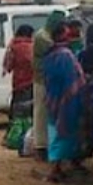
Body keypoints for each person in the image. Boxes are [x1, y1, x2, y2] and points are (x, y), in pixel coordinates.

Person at [42, 22, 89, 182]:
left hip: (52, 99)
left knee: (55, 132)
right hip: (67, 100)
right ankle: (55, 168)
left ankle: (57, 166)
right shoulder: (66, 55)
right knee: (64, 132)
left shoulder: (50, 54)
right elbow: (74, 79)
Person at [28, 9, 64, 156]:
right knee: (41, 112)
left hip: (49, 79)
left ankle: (48, 143)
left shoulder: (47, 35)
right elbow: (55, 50)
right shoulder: (42, 36)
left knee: (49, 113)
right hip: (42, 79)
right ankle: (41, 145)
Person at [4, 23, 36, 118]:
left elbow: (8, 67)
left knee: (18, 112)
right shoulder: (30, 47)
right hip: (30, 83)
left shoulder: (12, 46)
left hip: (17, 84)